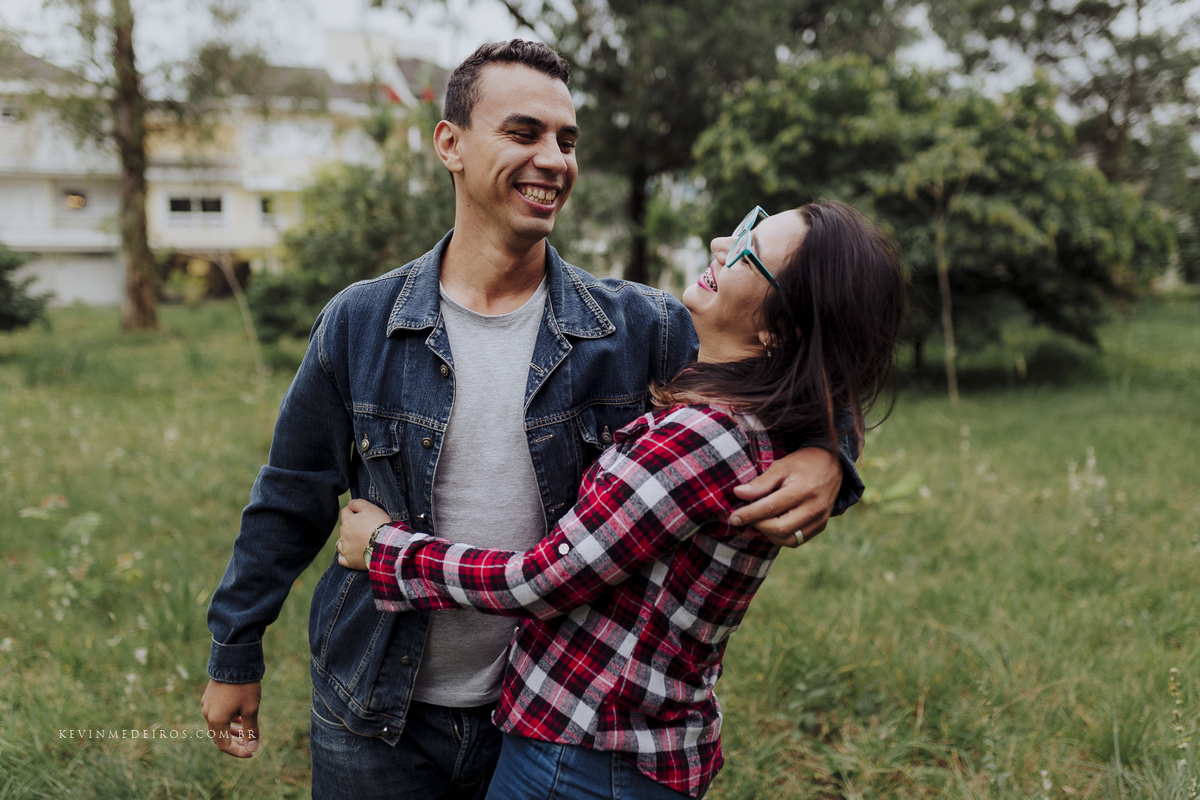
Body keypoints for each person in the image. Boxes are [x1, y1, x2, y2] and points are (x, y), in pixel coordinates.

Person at [201, 40, 861, 799]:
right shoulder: (361, 321)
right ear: (450, 144)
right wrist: (235, 650)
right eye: (523, 133)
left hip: (543, 719)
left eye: (566, 141)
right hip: (375, 707)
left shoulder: (641, 326)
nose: (553, 159)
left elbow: (788, 365)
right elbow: (290, 493)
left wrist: (828, 452)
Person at [336, 200, 906, 799]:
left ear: (779, 331)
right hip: (614, 748)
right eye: (746, 228)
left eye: (749, 253)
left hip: (584, 756)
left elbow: (542, 580)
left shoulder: (702, 438)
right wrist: (827, 448)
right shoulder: (753, 419)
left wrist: (384, 549)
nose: (721, 244)